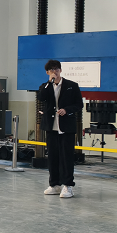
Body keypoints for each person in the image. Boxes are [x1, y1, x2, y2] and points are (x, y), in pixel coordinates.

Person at [38, 60, 83, 198]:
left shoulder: (72, 86)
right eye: (52, 70)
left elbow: (79, 104)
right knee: (52, 157)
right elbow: (41, 97)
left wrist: (67, 110)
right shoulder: (45, 86)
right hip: (51, 127)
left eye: (57, 69)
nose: (55, 72)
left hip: (66, 127)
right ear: (47, 72)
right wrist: (49, 82)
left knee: (66, 157)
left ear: (61, 70)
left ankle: (68, 186)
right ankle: (54, 185)